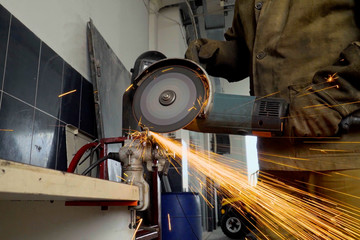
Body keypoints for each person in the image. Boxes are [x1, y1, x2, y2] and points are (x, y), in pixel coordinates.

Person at [186, 0, 360, 238]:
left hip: (344, 157)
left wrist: (332, 97)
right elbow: (249, 50)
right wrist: (212, 54)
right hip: (276, 163)